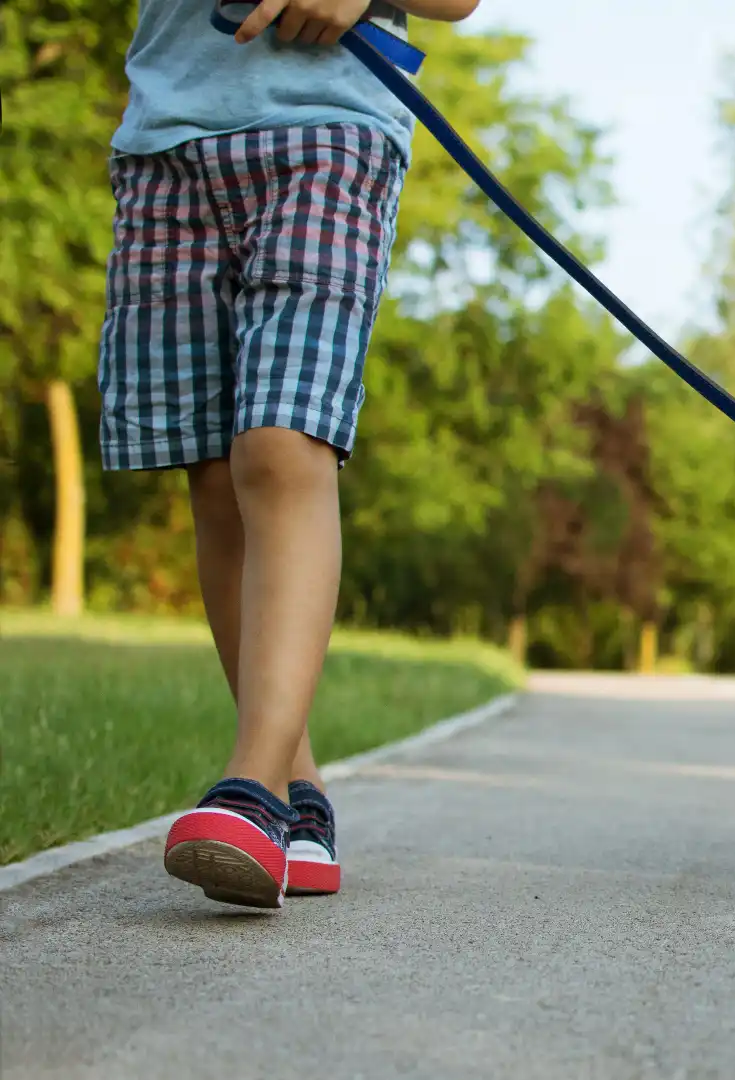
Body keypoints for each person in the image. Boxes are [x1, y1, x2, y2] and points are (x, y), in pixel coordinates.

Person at [98, 0, 479, 909]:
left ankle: (252, 786)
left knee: (280, 444)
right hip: (165, 137)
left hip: (328, 130)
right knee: (215, 473)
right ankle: (298, 801)